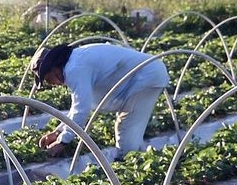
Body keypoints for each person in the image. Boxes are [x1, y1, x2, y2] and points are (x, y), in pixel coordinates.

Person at [31, 43, 170, 159]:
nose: (52, 84)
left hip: (146, 76)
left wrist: (63, 142)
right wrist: (57, 133)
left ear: (55, 68)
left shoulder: (75, 69)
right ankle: (141, 160)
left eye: (49, 79)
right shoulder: (75, 60)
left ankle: (130, 168)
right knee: (131, 129)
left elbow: (82, 109)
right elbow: (77, 108)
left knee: (127, 128)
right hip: (147, 74)